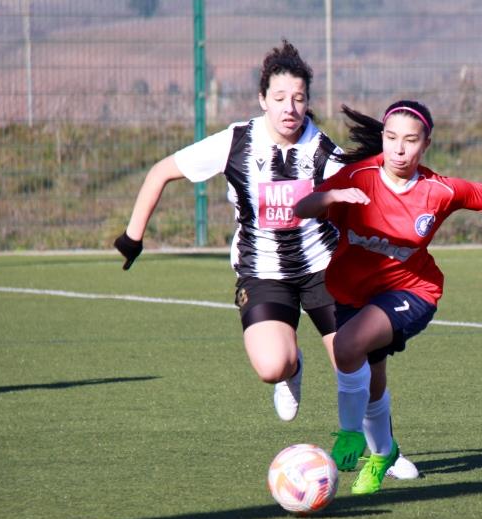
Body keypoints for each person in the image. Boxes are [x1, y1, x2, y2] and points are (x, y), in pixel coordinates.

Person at [111, 41, 419, 477]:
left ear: (308, 102)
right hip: (262, 273)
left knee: (358, 363)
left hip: (325, 270)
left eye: (299, 98)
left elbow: (372, 195)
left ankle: (384, 451)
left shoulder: (323, 151)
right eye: (279, 98)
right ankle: (292, 368)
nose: (289, 108)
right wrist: (132, 237)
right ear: (262, 100)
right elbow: (160, 171)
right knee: (273, 365)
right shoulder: (236, 141)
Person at [295, 100, 482, 495]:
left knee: (348, 347)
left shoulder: (439, 190)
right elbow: (303, 207)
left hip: (412, 291)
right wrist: (334, 197)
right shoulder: (358, 176)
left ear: (426, 144)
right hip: (353, 293)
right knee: (371, 380)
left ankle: (350, 433)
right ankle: (383, 454)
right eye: (391, 138)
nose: (399, 149)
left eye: (410, 141)